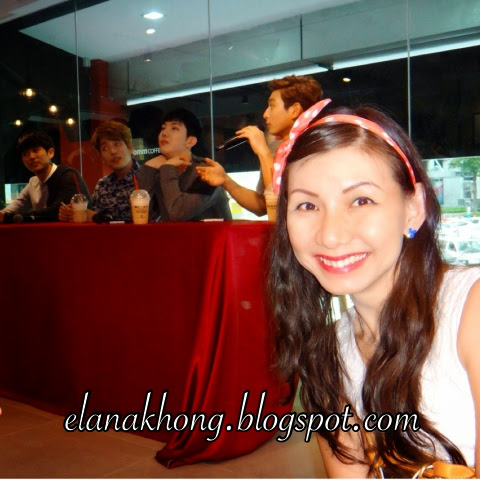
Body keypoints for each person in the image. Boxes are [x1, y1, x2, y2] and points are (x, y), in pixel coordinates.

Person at [268, 99, 479, 477]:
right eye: (307, 206)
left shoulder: (470, 311)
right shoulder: (329, 354)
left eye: (361, 200)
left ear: (414, 208)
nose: (331, 235)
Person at [196, 75, 323, 216]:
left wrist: (263, 152)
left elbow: (281, 202)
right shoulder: (275, 148)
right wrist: (226, 180)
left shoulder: (315, 146)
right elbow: (264, 205)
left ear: (294, 110)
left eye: (272, 106)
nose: (265, 114)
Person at [136, 108, 231, 221]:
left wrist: (167, 168)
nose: (164, 133)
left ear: (190, 141)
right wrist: (149, 168)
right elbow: (144, 217)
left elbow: (177, 214)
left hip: (211, 233)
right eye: (163, 128)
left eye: (174, 128)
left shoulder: (205, 171)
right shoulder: (160, 170)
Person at [0, 131, 90, 223]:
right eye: (26, 154)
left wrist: (7, 217)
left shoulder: (67, 175)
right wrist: (2, 214)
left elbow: (55, 212)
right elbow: (17, 205)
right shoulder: (33, 182)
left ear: (50, 153)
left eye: (35, 150)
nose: (31, 156)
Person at [59, 120, 138, 223]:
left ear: (130, 148)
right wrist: (71, 213)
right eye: (105, 148)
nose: (112, 151)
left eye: (117, 144)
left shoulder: (147, 177)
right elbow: (93, 220)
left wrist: (96, 217)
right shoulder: (103, 185)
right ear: (102, 158)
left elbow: (145, 220)